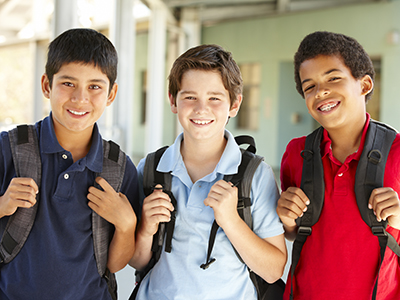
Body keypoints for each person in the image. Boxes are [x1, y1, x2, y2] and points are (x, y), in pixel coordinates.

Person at [129, 44, 287, 299]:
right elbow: (137, 261)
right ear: (173, 101)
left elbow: (273, 270)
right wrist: (146, 229)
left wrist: (231, 221)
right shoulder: (150, 169)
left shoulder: (254, 174)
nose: (202, 108)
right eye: (190, 97)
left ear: (234, 105)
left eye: (215, 98)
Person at [0, 28, 139, 299]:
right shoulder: (9, 149)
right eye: (68, 83)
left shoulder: (119, 168)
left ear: (111, 94)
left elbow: (115, 264)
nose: (80, 98)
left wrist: (126, 225)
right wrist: (3, 204)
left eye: (95, 87)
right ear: (46, 85)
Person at [277, 31, 400, 300]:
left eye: (333, 78)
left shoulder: (398, 152)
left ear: (365, 85)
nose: (321, 91)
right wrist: (287, 220)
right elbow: (295, 231)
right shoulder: (297, 152)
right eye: (309, 86)